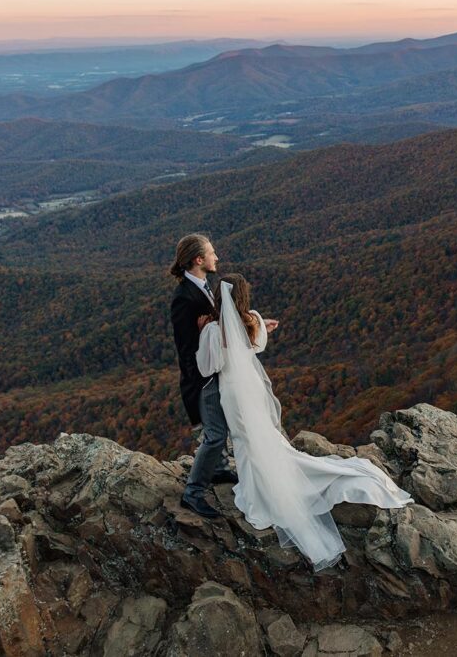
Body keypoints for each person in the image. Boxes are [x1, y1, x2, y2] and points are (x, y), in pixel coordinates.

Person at [197, 273, 413, 571]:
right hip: (253, 390)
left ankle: (258, 490)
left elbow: (208, 366)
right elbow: (257, 346)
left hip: (232, 392)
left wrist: (202, 338)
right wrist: (262, 326)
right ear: (244, 298)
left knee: (245, 441)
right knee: (264, 438)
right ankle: (270, 484)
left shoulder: (211, 330)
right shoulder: (255, 320)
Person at [169, 234, 237, 518]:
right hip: (203, 378)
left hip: (213, 372)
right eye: (212, 253)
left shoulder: (202, 285)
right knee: (216, 434)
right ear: (198, 260)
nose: (216, 257)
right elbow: (186, 349)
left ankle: (218, 469)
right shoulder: (185, 297)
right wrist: (203, 382)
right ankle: (192, 493)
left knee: (223, 427)